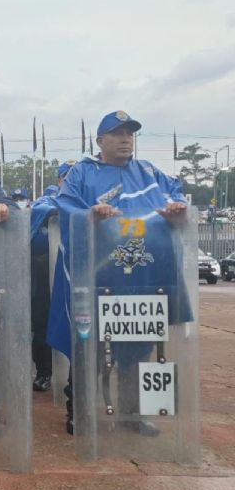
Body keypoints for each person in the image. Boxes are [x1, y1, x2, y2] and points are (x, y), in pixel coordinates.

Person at [47, 111, 188, 435]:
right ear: (100, 141)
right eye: (117, 133)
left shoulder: (148, 171)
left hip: (142, 281)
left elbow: (175, 195)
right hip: (98, 280)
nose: (126, 139)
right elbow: (65, 207)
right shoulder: (83, 173)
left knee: (137, 349)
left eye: (130, 133)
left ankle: (132, 414)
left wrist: (177, 208)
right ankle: (79, 411)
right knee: (90, 347)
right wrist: (90, 214)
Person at [28, 160, 75, 392]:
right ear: (60, 180)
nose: (72, 179)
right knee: (43, 325)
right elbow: (39, 209)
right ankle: (44, 372)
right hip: (47, 276)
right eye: (68, 176)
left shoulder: (92, 201)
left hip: (78, 276)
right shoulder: (49, 200)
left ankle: (78, 379)